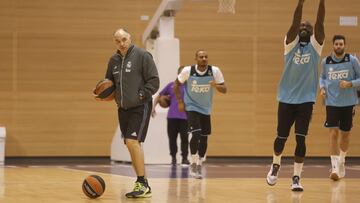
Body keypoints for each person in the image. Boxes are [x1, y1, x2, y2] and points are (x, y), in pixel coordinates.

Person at [266, 0, 325, 192]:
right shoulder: (289, 44)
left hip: (306, 101)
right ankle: (275, 165)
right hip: (285, 99)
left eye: (307, 26)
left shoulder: (316, 47)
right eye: (302, 25)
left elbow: (320, 23)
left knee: (301, 139)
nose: (304, 27)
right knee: (281, 138)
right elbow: (294, 23)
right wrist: (301, 3)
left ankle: (296, 177)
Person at [94, 28, 159, 198]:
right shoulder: (113, 60)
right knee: (131, 144)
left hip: (140, 106)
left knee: (132, 141)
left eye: (124, 39)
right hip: (122, 109)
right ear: (114, 42)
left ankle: (142, 183)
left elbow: (154, 81)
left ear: (130, 38)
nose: (121, 43)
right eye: (118, 41)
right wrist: (104, 97)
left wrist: (141, 94)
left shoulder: (142, 56)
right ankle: (142, 183)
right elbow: (110, 86)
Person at [173, 50, 227, 179]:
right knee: (196, 133)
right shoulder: (188, 71)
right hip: (191, 106)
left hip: (206, 108)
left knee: (204, 137)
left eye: (206, 57)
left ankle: (199, 163)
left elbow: (224, 89)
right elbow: (176, 84)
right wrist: (180, 102)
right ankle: (193, 162)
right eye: (201, 57)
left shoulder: (214, 71)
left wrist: (216, 86)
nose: (203, 58)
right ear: (196, 58)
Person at [319, 35, 360, 181]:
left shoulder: (352, 60)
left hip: (348, 103)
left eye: (341, 44)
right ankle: (334, 166)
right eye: (336, 44)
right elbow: (322, 77)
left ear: (344, 45)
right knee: (333, 133)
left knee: (345, 134)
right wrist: (322, 88)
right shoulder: (326, 61)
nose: (338, 46)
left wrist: (350, 84)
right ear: (333, 45)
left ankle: (342, 161)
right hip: (332, 103)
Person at [151, 66, 190, 166]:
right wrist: (153, 108)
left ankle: (185, 158)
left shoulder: (190, 87)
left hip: (185, 117)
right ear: (178, 74)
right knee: (172, 139)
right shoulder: (171, 85)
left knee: (184, 139)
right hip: (172, 117)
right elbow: (159, 96)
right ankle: (173, 158)